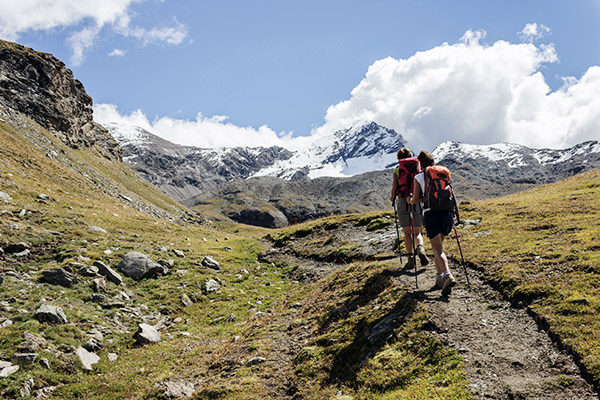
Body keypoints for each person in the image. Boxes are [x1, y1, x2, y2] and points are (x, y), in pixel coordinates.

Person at [407, 150, 456, 296]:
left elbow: (415, 199)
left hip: (431, 213)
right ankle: (439, 278)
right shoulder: (444, 172)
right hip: (447, 213)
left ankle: (447, 275)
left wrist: (410, 200)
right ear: (433, 162)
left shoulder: (419, 177)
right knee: (439, 246)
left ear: (420, 164)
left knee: (437, 249)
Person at [390, 148, 429, 269]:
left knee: (407, 234)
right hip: (416, 200)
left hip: (402, 201)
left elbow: (394, 187)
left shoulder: (397, 170)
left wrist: (392, 198)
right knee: (417, 232)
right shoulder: (418, 168)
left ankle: (410, 259)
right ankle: (421, 249)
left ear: (399, 159)